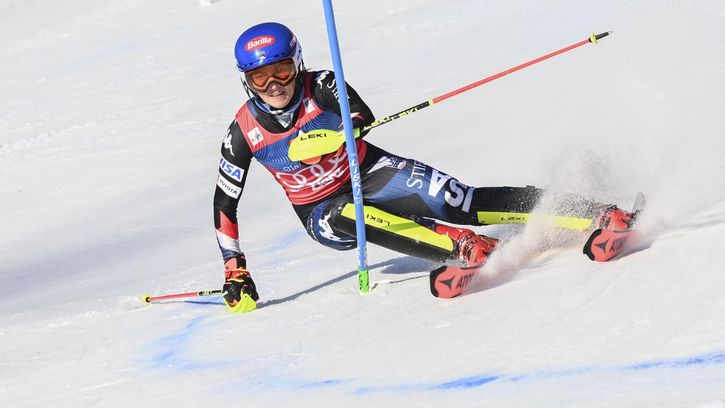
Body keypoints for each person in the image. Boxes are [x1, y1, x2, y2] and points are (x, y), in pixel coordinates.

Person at [214, 22, 634, 312]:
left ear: (298, 63)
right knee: (347, 215)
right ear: (246, 81)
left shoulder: (320, 84)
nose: (274, 85)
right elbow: (224, 204)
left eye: (282, 70)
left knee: (457, 200)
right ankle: (461, 247)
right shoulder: (243, 132)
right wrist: (235, 268)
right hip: (320, 211)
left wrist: (342, 133)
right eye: (260, 78)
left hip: (366, 169)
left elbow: (359, 112)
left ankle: (594, 212)